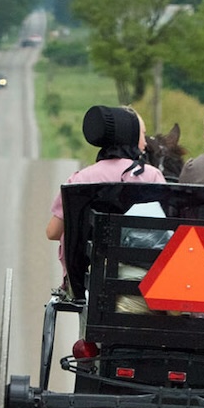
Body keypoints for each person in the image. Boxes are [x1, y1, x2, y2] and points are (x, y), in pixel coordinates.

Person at [45, 105, 166, 281]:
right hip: (146, 278)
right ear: (129, 136)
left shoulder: (80, 179)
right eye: (140, 134)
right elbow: (165, 229)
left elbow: (53, 232)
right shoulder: (151, 176)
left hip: (90, 278)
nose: (145, 142)